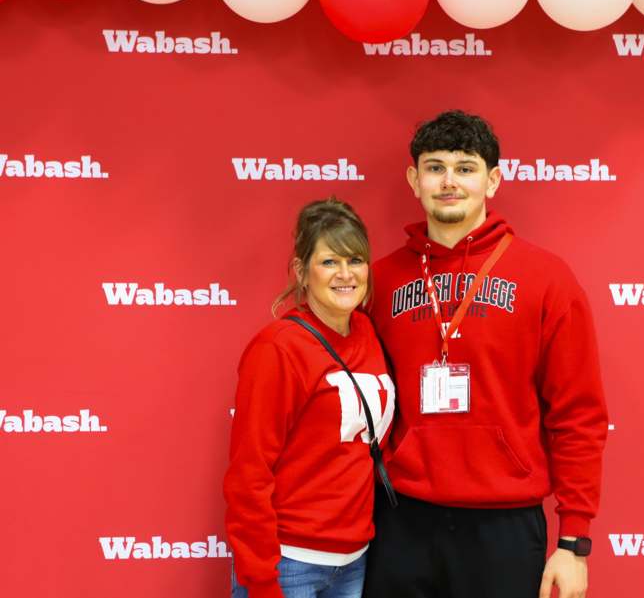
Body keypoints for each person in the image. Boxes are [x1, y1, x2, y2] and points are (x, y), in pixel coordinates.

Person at [363, 111, 608, 598]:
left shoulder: (546, 278)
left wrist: (574, 540)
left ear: (493, 180)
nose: (448, 181)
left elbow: (578, 414)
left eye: (465, 167)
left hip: (504, 525)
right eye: (435, 167)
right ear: (414, 179)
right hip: (402, 518)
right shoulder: (381, 279)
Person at [224, 197, 396, 598]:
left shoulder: (369, 333)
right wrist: (262, 580)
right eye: (329, 262)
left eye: (355, 260)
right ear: (302, 272)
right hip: (289, 561)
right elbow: (249, 473)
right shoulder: (278, 348)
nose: (345, 274)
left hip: (354, 559)